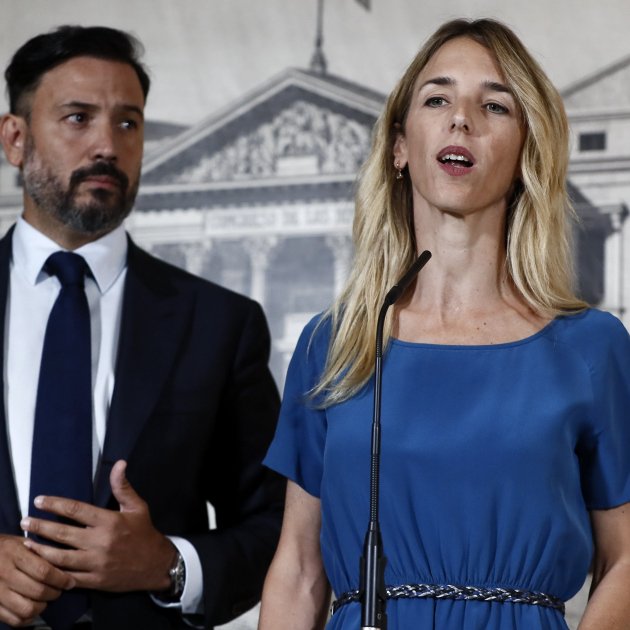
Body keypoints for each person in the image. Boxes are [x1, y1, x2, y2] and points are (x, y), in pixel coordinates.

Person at [258, 17, 630, 630]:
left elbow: (624, 561)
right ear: (399, 147)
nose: (462, 119)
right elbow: (298, 570)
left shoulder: (590, 347)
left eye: (494, 105)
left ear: (525, 153)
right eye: (437, 99)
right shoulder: (335, 343)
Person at [0, 25, 283, 630]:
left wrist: (168, 565)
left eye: (128, 123)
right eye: (78, 118)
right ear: (16, 139)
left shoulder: (220, 325)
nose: (107, 145)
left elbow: (278, 528)